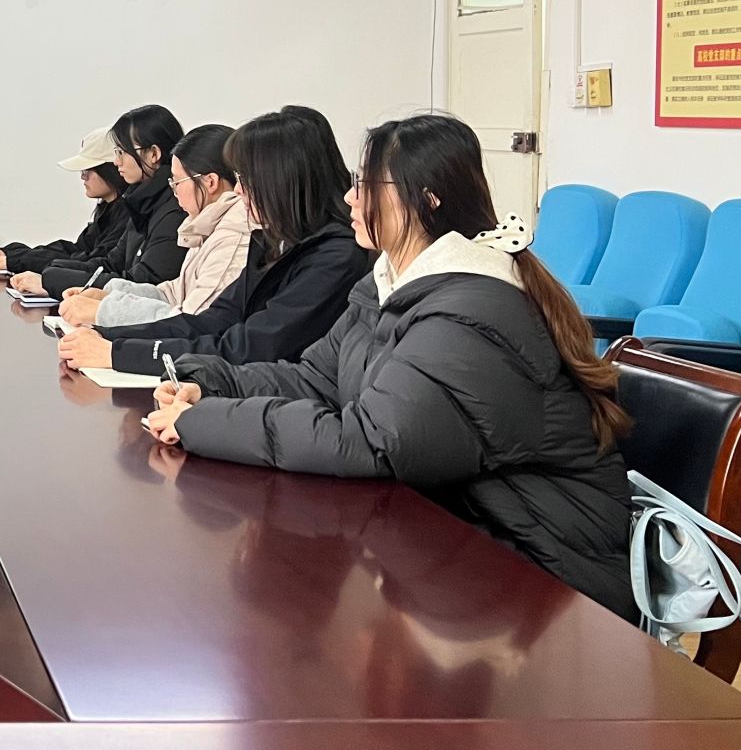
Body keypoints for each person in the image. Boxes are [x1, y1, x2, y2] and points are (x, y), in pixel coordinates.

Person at [142, 114, 634, 619]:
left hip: (546, 575)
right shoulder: (390, 283)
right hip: (458, 537)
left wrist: (203, 423)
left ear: (428, 199)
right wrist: (209, 384)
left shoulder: (470, 314)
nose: (350, 198)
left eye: (366, 185)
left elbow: (371, 442)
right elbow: (317, 379)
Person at [59, 108, 370, 374]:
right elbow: (211, 321)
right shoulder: (274, 241)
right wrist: (109, 337)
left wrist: (119, 353)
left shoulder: (335, 256)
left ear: (282, 180)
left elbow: (250, 346)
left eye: (247, 179)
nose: (238, 190)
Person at [59, 123, 250, 328]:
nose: (174, 191)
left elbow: (192, 323)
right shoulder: (208, 225)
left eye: (177, 182)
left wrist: (103, 310)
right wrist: (107, 294)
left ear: (210, 182)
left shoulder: (232, 239)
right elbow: (173, 293)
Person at [11, 105, 188, 300]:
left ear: (153, 154)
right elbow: (111, 263)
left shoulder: (175, 211)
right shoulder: (142, 202)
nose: (116, 162)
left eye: (122, 152)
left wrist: (51, 279)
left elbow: (144, 285)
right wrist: (50, 272)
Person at [0, 137, 130, 279]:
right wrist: (14, 253)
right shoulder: (108, 210)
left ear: (111, 170)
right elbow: (75, 250)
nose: (83, 177)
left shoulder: (129, 215)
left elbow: (89, 262)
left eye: (87, 170)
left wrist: (17, 260)